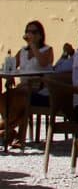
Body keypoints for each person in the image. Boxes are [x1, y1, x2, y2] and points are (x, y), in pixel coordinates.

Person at [4, 20, 54, 148]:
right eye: (27, 31)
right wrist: (10, 76)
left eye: (33, 31)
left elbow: (43, 63)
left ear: (40, 35)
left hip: (39, 87)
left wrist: (32, 45)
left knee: (20, 98)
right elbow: (11, 66)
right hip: (23, 87)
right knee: (5, 97)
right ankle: (9, 130)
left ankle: (11, 132)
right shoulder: (22, 51)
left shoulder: (47, 50)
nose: (29, 34)